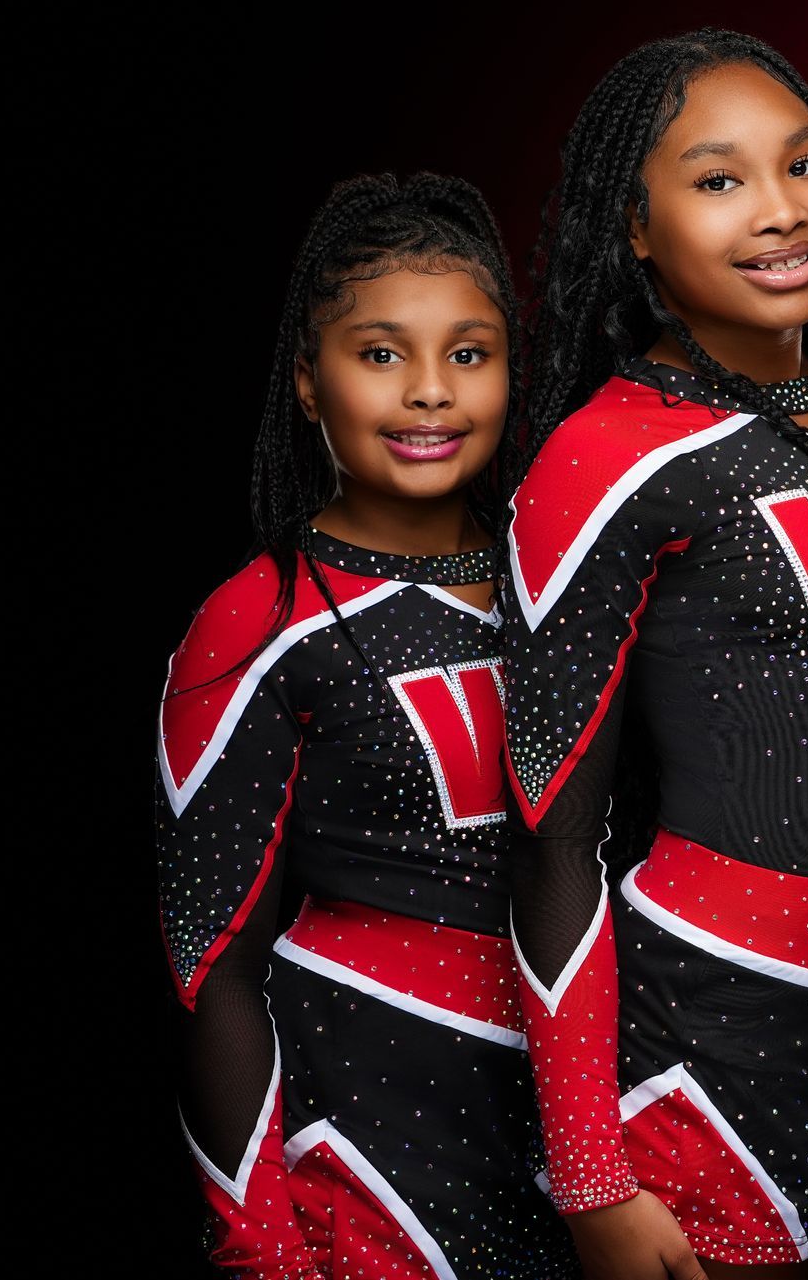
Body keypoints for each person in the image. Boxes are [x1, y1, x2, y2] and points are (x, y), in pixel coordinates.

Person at [502, 29, 808, 1280]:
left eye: (804, 166)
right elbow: (549, 832)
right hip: (712, 1032)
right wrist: (590, 1174)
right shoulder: (602, 457)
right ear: (635, 227)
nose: (783, 212)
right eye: (720, 179)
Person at [154, 172, 577, 1277]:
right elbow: (210, 963)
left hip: (582, 1130)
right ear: (308, 380)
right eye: (382, 354)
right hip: (369, 1148)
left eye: (470, 354)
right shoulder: (262, 614)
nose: (430, 392)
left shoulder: (566, 575)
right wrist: (263, 1241)